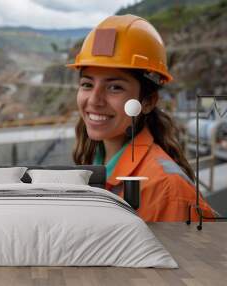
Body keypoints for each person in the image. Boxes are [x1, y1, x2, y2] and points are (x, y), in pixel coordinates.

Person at [67, 14, 214, 222]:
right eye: (87, 84)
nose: (94, 100)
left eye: (115, 87)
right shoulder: (91, 162)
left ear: (148, 101)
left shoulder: (168, 191)